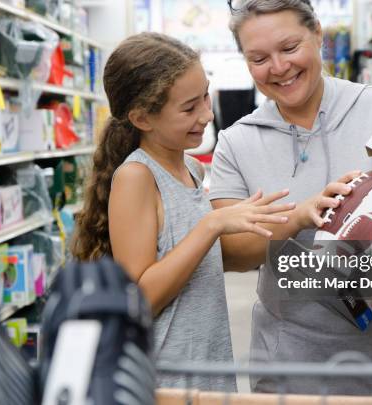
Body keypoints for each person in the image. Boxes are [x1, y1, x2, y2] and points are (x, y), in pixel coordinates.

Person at [210, 0, 372, 395]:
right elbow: (233, 254)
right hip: (295, 360)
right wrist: (296, 217)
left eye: (289, 47)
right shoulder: (237, 143)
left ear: (317, 33)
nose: (279, 68)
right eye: (259, 58)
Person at [71, 32, 295, 391]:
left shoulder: (192, 169)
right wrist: (212, 225)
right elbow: (140, 299)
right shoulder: (136, 177)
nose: (207, 114)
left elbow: (197, 263)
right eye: (189, 108)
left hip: (207, 370)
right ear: (143, 118)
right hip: (164, 382)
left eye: (206, 95)